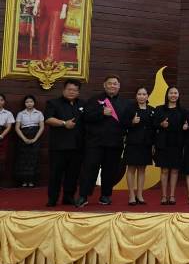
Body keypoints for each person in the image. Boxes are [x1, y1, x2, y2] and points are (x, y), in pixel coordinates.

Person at [76, 75, 129, 207]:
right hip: (95, 142)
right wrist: (101, 112)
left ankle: (105, 195)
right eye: (110, 83)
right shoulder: (94, 100)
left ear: (119, 86)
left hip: (115, 143)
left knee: (110, 170)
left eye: (115, 84)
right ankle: (83, 196)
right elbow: (86, 117)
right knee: (89, 169)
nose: (112, 86)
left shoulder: (125, 103)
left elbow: (126, 122)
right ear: (104, 85)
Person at [43, 79, 84, 206]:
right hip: (59, 146)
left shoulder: (83, 104)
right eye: (69, 89)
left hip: (77, 146)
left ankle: (68, 197)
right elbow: (48, 119)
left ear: (78, 92)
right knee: (55, 174)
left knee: (73, 174)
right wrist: (64, 123)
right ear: (64, 90)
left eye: (75, 90)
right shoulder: (53, 103)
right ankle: (52, 199)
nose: (72, 92)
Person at [122, 87, 155, 205]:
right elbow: (123, 124)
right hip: (132, 143)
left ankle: (140, 194)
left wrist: (153, 144)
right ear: (136, 96)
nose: (141, 96)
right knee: (131, 169)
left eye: (144, 94)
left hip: (146, 144)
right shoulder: (130, 109)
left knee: (142, 169)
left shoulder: (152, 110)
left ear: (147, 96)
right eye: (139, 94)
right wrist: (132, 122)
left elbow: (154, 128)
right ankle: (131, 195)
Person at [153, 86, 184, 205]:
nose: (173, 95)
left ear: (178, 95)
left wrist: (185, 127)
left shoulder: (182, 111)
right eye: (171, 93)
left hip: (177, 144)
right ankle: (164, 196)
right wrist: (161, 124)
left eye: (176, 93)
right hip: (163, 144)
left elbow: (185, 126)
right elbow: (153, 124)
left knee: (175, 170)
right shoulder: (159, 109)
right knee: (164, 170)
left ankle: (172, 196)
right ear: (167, 94)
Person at [14, 95, 45, 187]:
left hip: (36, 135)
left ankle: (32, 181)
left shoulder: (39, 113)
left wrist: (35, 139)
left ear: (34, 103)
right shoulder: (20, 114)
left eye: (31, 101)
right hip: (23, 135)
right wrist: (24, 138)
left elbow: (42, 127)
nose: (29, 104)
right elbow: (17, 128)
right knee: (23, 159)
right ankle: (24, 181)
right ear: (24, 103)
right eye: (27, 102)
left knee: (34, 159)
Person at [0, 94, 15, 184]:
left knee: (2, 159)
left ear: (4, 101)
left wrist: (1, 135)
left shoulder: (8, 113)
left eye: (1, 100)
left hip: (3, 136)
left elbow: (9, 127)